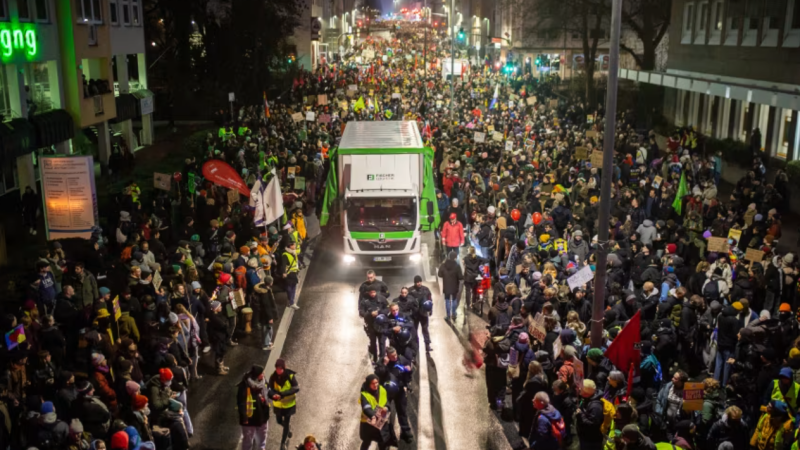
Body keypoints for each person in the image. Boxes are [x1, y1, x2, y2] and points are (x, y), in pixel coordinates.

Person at [237, 365, 270, 450]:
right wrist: (245, 418)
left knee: (262, 440)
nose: (263, 374)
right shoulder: (245, 386)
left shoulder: (263, 382)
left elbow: (269, 393)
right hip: (249, 420)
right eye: (261, 373)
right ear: (256, 375)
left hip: (262, 417)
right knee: (247, 442)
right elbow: (241, 403)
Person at [269, 359, 298, 450]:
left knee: (286, 423)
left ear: (284, 368)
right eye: (277, 369)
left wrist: (282, 394)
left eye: (280, 369)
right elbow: (269, 390)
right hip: (278, 405)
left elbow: (296, 388)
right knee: (278, 421)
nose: (278, 371)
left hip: (288, 405)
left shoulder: (290, 376)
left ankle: (283, 443)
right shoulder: (273, 377)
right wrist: (274, 396)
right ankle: (288, 428)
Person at [359, 374, 392, 450]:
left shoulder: (382, 390)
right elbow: (366, 407)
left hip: (380, 421)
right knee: (366, 442)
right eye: (373, 383)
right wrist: (373, 416)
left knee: (383, 441)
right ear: (368, 384)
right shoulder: (364, 394)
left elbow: (387, 402)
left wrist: (386, 408)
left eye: (376, 382)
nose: (375, 385)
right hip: (368, 423)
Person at [437, 250, 463, 322]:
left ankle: (448, 316)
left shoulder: (443, 265)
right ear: (455, 258)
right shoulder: (457, 266)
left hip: (446, 287)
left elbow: (439, 275)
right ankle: (454, 314)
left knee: (447, 300)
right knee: (454, 300)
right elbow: (461, 277)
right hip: (454, 287)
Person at [409, 275, 433, 352]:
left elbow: (430, 300)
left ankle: (427, 345)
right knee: (414, 331)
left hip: (424, 313)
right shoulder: (410, 290)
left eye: (419, 282)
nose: (418, 283)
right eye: (417, 282)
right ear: (415, 282)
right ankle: (415, 346)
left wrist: (430, 310)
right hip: (415, 314)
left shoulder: (426, 290)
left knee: (425, 329)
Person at [252, 278, 278, 351]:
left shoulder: (262, 289)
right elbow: (267, 306)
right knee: (267, 329)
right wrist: (270, 317)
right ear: (270, 283)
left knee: (268, 328)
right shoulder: (265, 293)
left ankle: (268, 341)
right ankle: (265, 345)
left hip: (263, 314)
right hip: (266, 315)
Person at [281, 241, 300, 310]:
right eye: (294, 245)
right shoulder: (285, 254)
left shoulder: (293, 253)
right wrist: (284, 272)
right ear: (290, 246)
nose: (295, 246)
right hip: (289, 273)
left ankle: (291, 301)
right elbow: (283, 265)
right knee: (289, 288)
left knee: (293, 287)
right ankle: (291, 302)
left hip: (294, 273)